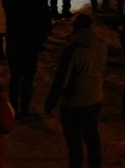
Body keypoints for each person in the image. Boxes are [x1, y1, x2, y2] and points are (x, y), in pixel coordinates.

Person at [45, 13, 108, 168]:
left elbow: (61, 80)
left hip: (75, 103)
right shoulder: (101, 45)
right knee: (92, 137)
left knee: (74, 144)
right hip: (94, 98)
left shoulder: (73, 50)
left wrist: (51, 102)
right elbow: (103, 70)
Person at [3, 0, 52, 118]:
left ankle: (13, 108)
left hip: (13, 44)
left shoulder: (8, 2)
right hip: (30, 44)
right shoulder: (31, 3)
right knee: (27, 79)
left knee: (15, 77)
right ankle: (24, 109)